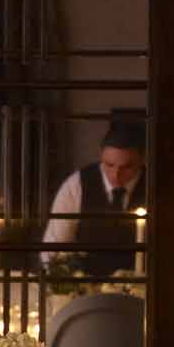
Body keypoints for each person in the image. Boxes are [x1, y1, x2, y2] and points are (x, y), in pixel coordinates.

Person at [40, 111, 147, 272]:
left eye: (127, 167)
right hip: (87, 281)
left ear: (142, 160)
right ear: (101, 156)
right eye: (109, 165)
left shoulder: (155, 186)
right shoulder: (77, 184)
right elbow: (53, 248)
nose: (116, 174)